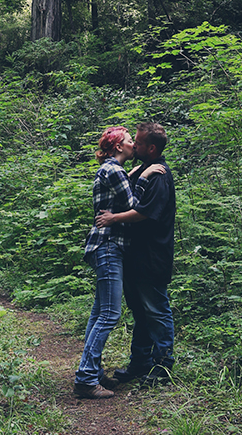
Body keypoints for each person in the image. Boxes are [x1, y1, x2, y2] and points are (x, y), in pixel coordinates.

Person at [74, 127, 164, 400]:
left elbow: (121, 190)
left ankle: (93, 371)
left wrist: (137, 172)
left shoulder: (113, 170)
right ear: (117, 148)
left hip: (103, 246)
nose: (132, 145)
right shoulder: (114, 171)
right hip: (109, 246)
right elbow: (135, 204)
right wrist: (146, 174)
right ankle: (86, 378)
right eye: (128, 141)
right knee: (110, 314)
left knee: (99, 312)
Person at [95, 121, 176, 387]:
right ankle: (140, 363)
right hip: (133, 256)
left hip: (153, 256)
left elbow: (143, 212)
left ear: (151, 148)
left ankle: (163, 367)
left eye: (138, 142)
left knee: (156, 311)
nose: (134, 145)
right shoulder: (142, 170)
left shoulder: (159, 175)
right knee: (141, 313)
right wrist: (136, 176)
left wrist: (113, 218)